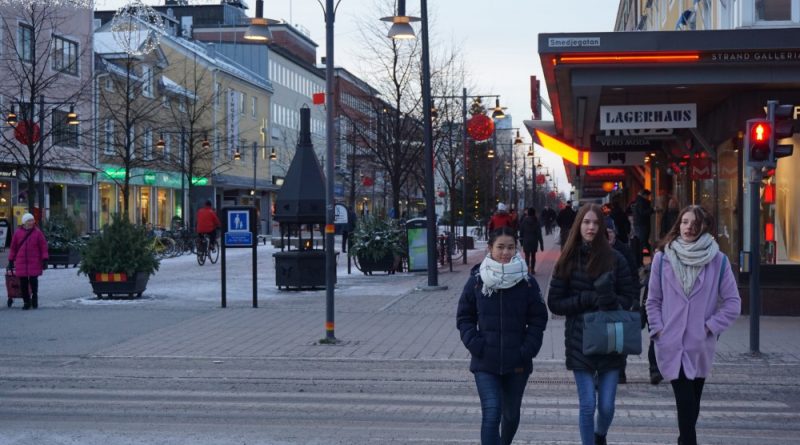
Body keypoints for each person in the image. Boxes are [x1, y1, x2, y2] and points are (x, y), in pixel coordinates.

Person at [646, 205, 741, 445]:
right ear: (678, 224)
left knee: (693, 405)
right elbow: (653, 300)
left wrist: (710, 327)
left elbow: (732, 303)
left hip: (699, 345)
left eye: (695, 223)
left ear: (705, 227)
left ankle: (684, 439)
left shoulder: (718, 261)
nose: (689, 227)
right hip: (671, 343)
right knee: (685, 402)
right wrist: (658, 330)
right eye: (685, 222)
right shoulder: (663, 257)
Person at [547, 204, 637, 445]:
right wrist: (586, 299)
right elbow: (554, 303)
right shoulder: (567, 257)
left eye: (596, 223)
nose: (591, 227)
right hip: (580, 340)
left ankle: (600, 436)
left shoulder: (616, 258)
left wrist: (608, 298)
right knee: (587, 405)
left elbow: (629, 297)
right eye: (586, 222)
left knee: (606, 406)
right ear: (579, 225)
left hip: (610, 339)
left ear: (602, 228)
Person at [457, 227, 548, 445]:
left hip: (517, 362)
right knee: (491, 412)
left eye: (510, 247)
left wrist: (527, 350)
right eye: (500, 247)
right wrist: (476, 344)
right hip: (485, 361)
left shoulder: (526, 282)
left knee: (511, 415)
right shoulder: (478, 280)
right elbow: (464, 317)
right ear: (490, 248)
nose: (505, 252)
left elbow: (538, 319)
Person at [605, 217, 640, 384]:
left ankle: (620, 371)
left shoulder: (624, 250)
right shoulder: (596, 252)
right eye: (605, 233)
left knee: (620, 338)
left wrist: (634, 299)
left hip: (622, 302)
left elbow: (634, 275)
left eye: (610, 232)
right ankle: (605, 370)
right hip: (603, 305)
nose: (608, 236)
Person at [7, 213, 49, 310]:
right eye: (29, 221)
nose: (31, 222)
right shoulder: (17, 233)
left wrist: (45, 259)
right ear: (24, 222)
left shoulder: (37, 233)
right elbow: (13, 248)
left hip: (34, 261)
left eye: (32, 220)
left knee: (34, 281)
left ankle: (34, 298)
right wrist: (10, 260)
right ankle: (26, 301)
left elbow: (43, 246)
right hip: (21, 261)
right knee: (23, 283)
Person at [519, 208, 544, 274]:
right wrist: (541, 244)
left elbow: (521, 231)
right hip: (534, 241)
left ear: (528, 213)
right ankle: (532, 269)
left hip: (526, 240)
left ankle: (527, 269)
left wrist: (521, 241)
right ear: (534, 213)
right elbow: (539, 233)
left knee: (527, 256)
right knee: (533, 256)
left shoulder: (524, 221)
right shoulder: (536, 221)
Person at [632, 189, 654, 256]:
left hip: (639, 224)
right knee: (642, 241)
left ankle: (642, 256)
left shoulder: (638, 201)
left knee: (641, 241)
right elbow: (642, 212)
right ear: (644, 195)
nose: (648, 197)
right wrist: (652, 210)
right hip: (642, 224)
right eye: (648, 196)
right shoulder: (642, 202)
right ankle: (643, 255)